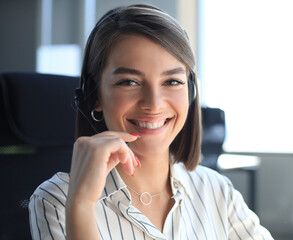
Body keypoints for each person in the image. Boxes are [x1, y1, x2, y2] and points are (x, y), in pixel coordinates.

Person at [28, 4, 273, 240]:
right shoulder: (58, 199)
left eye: (172, 81)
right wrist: (81, 205)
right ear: (95, 96)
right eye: (129, 82)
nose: (154, 103)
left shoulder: (216, 190)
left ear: (190, 92)